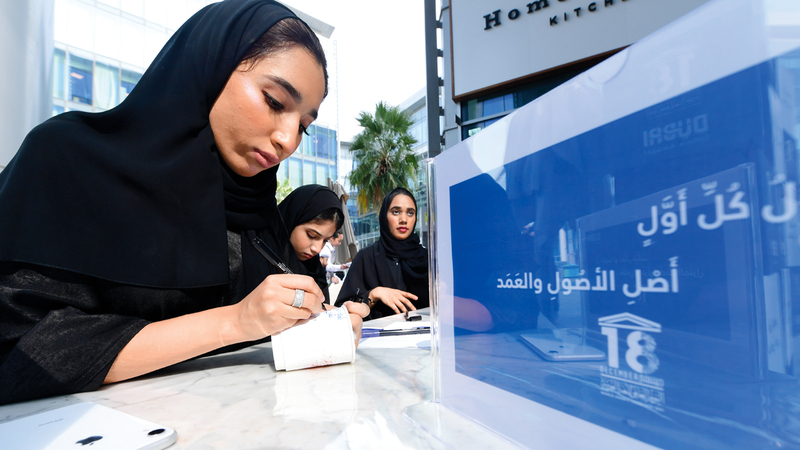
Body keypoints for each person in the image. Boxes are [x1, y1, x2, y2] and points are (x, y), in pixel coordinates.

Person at [0, 0, 368, 405]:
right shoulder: (67, 159)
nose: (287, 140)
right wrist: (233, 322)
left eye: (303, 127)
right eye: (275, 102)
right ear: (211, 67)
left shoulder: (258, 211)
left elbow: (263, 336)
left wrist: (320, 328)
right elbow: (21, 348)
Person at [335, 187, 429, 319]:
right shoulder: (366, 257)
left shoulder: (427, 258)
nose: (403, 219)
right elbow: (341, 313)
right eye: (396, 212)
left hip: (425, 336)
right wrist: (374, 294)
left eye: (410, 213)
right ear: (385, 216)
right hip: (378, 337)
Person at [278, 185, 343, 303]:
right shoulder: (260, 258)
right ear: (292, 219)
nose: (317, 249)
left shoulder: (315, 269)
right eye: (311, 235)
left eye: (325, 240)